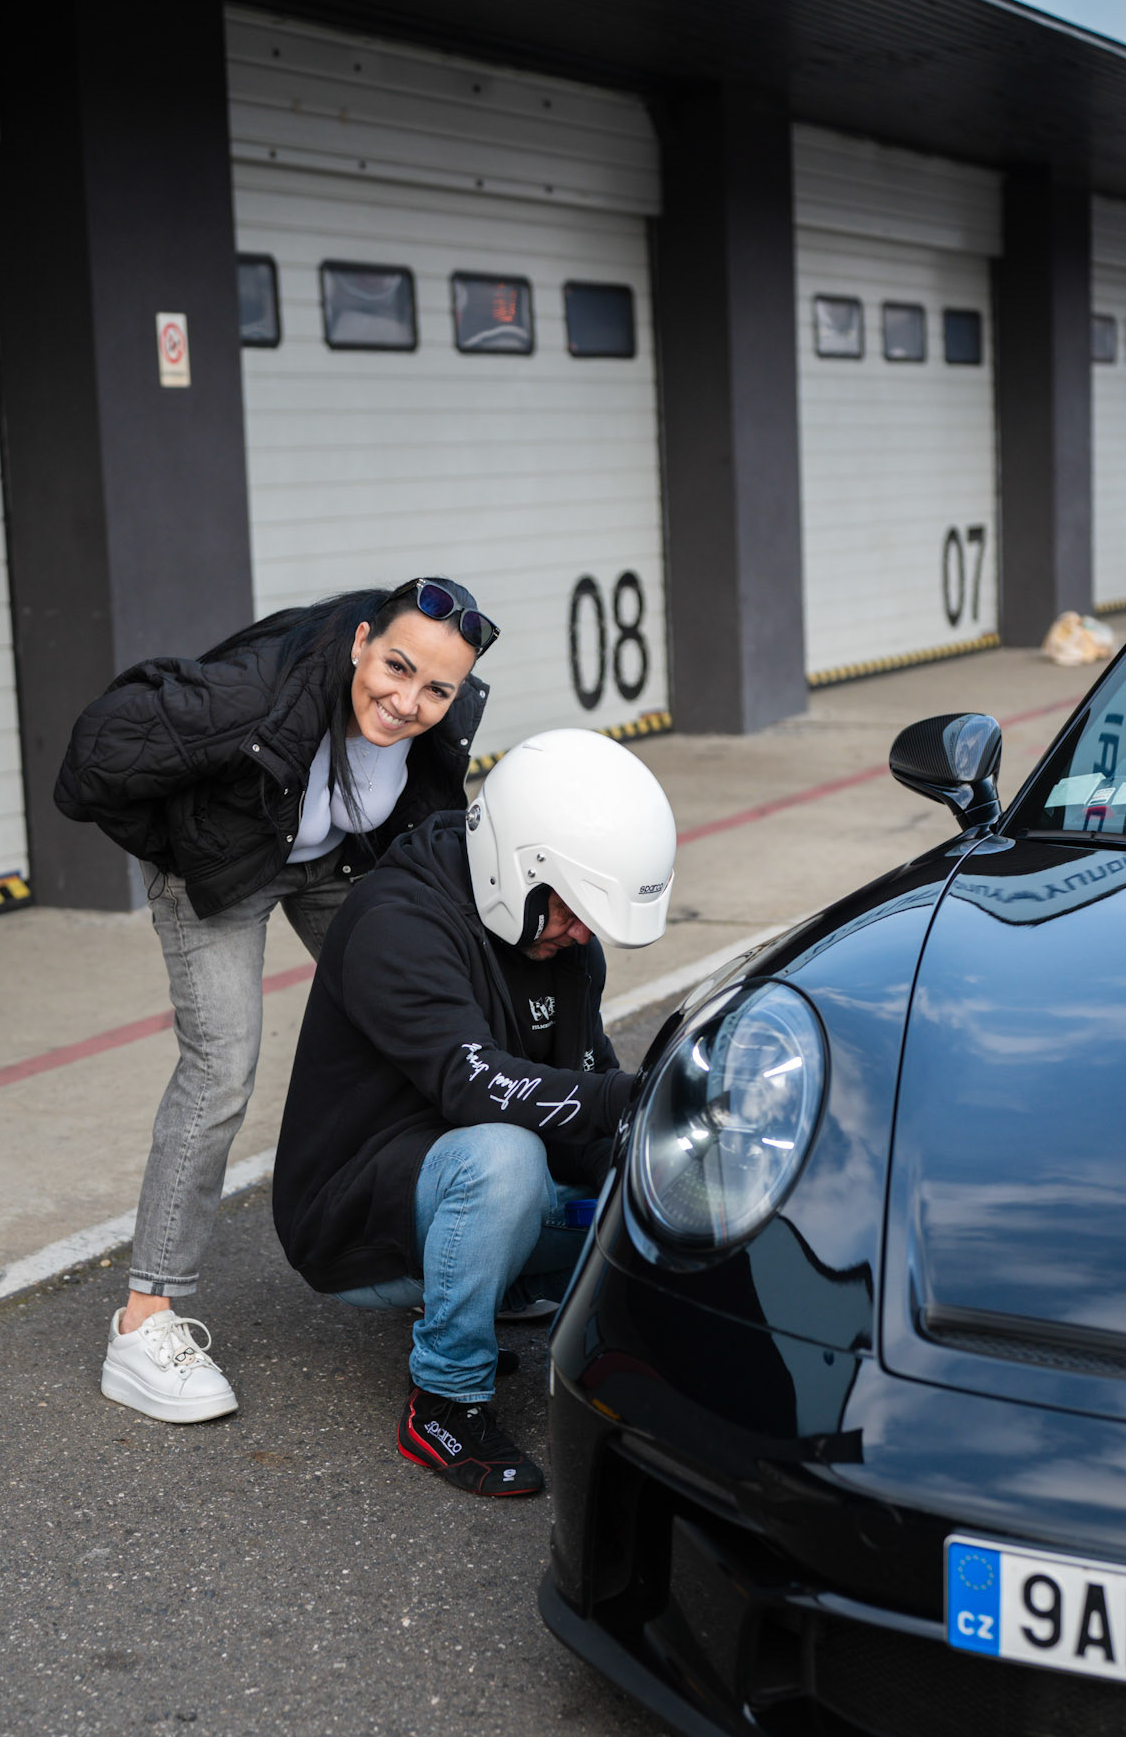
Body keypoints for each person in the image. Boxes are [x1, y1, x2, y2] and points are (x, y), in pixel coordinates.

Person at [54, 577, 498, 1423]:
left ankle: (441, 1252)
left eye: (437, 690)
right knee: (222, 1067)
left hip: (328, 857)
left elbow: (426, 818)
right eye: (396, 668)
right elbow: (95, 757)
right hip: (225, 867)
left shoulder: (435, 716)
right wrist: (179, 846)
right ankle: (143, 1322)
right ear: (362, 641)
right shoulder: (253, 693)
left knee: (420, 1023)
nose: (408, 703)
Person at [272, 727, 676, 1497]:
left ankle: (556, 1320)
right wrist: (629, 1098)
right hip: (357, 1222)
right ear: (519, 868)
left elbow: (584, 1095)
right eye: (574, 909)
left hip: (467, 1195)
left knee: (666, 1198)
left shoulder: (565, 947)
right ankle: (445, 1400)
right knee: (505, 1160)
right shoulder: (397, 923)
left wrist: (651, 1153)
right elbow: (474, 1086)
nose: (584, 932)